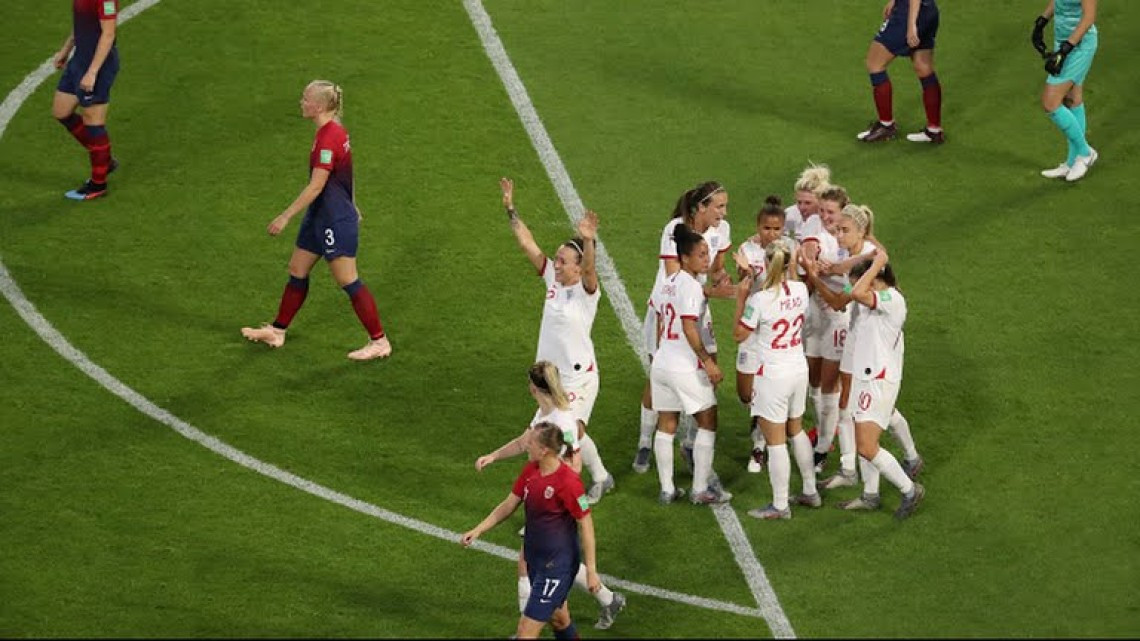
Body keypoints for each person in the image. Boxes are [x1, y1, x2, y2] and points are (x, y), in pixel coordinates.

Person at [241, 81, 391, 361]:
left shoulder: (328, 138)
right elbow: (347, 173)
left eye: (306, 99)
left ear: (319, 106)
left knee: (347, 279)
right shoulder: (334, 131)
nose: (301, 102)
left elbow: (316, 186)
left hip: (333, 219)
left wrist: (285, 216)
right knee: (297, 269)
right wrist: (353, 202)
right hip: (320, 215)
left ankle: (379, 341)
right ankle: (277, 330)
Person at [474, 362, 626, 631]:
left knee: (531, 558)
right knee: (546, 561)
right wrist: (494, 456)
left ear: (534, 387)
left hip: (558, 499)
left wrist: (553, 484)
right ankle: (607, 599)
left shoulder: (563, 421)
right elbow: (524, 442)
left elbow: (575, 464)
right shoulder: (544, 412)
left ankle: (526, 624)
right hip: (546, 493)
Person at [499, 178, 615, 505]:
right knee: (558, 434)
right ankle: (602, 478)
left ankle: (558, 505)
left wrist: (589, 241)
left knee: (565, 435)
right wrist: (510, 207)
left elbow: (592, 270)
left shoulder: (586, 292)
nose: (557, 263)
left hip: (579, 377)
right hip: (550, 378)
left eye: (564, 261)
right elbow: (527, 244)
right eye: (557, 259)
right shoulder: (552, 278)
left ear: (579, 268)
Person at [803, 205, 922, 489]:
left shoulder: (867, 258)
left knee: (860, 408)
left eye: (844, 230)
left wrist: (814, 276)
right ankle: (854, 468)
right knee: (856, 407)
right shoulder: (854, 256)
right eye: (837, 230)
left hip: (874, 339)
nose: (839, 235)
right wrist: (825, 270)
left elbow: (846, 296)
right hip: (861, 334)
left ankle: (886, 466)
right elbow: (842, 295)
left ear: (860, 231)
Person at [463, 423, 602, 639]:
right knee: (559, 620)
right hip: (536, 560)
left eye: (532, 442)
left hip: (557, 565)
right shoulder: (531, 470)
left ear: (545, 449)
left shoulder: (569, 482)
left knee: (525, 633)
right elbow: (508, 505)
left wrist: (591, 570)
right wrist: (478, 529)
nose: (526, 444)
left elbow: (586, 524)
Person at [634, 182, 733, 475]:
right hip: (668, 311)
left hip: (697, 308)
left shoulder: (721, 231)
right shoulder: (675, 230)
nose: (724, 213)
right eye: (719, 206)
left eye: (725, 206)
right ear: (701, 207)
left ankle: (690, 442)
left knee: (708, 371)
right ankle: (644, 442)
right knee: (657, 376)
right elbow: (675, 282)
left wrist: (723, 279)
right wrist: (723, 293)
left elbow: (715, 270)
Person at [733, 238, 820, 519]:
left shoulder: (759, 300)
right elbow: (791, 289)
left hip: (773, 374)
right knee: (796, 429)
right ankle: (810, 490)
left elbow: (739, 334)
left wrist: (741, 298)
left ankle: (780, 505)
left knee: (776, 440)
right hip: (798, 368)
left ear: (767, 263)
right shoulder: (800, 290)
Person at [649, 223, 731, 505]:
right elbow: (689, 327)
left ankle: (667, 489)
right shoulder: (691, 286)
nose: (707, 259)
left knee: (667, 423)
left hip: (662, 362)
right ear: (685, 258)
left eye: (708, 253)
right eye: (701, 255)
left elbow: (662, 322)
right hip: (683, 365)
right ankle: (699, 489)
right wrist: (707, 361)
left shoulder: (667, 283)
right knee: (708, 420)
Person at [798, 185, 850, 479]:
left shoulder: (853, 234)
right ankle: (825, 433)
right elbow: (809, 255)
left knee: (831, 384)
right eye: (822, 211)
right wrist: (812, 263)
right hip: (816, 309)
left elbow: (863, 266)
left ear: (843, 211)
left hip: (839, 314)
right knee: (813, 379)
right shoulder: (814, 225)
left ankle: (822, 450)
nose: (825, 216)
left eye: (831, 212)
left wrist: (831, 270)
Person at [734, 196, 789, 474]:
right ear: (758, 227)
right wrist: (743, 272)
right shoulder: (747, 248)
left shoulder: (789, 250)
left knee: (766, 391)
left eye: (777, 229)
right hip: (752, 327)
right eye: (767, 228)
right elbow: (740, 279)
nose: (772, 234)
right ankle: (759, 422)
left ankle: (759, 447)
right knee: (746, 394)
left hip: (775, 333)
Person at [53, 0, 121, 200]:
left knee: (93, 120)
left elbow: (108, 34)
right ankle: (105, 160)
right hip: (79, 61)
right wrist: (66, 50)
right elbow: (80, 25)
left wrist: (92, 72)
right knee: (61, 111)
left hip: (98, 66)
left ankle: (98, 184)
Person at [858, 0, 944, 143]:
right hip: (928, 11)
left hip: (910, 12)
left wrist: (911, 25)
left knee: (875, 63)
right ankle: (934, 130)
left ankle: (886, 125)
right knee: (923, 67)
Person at [1034, 0, 1098, 182]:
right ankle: (1072, 162)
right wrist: (1042, 21)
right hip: (1063, 42)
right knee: (1072, 99)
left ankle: (1085, 153)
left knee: (1050, 102)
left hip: (1079, 46)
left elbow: (1089, 17)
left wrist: (1066, 49)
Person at [783, 164, 830, 240]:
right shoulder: (790, 215)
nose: (802, 207)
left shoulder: (830, 221)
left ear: (821, 202)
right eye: (799, 202)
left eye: (808, 203)